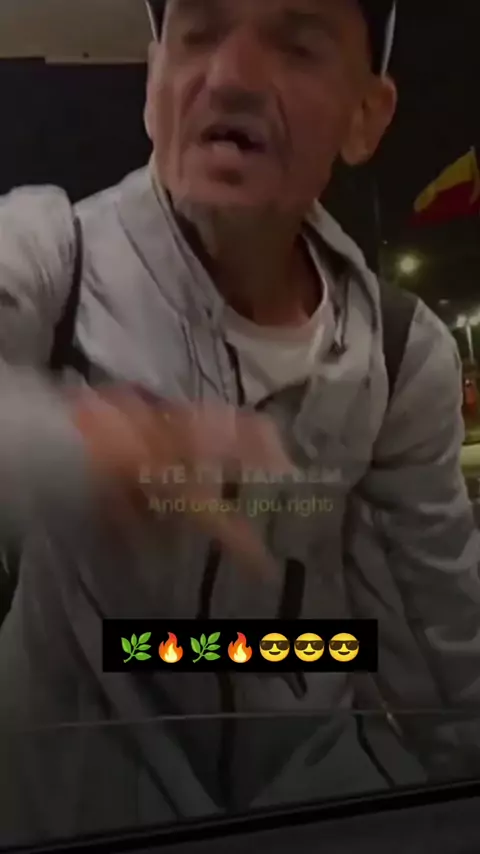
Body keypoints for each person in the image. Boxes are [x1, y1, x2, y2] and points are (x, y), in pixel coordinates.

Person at [1, 0, 480, 844]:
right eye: (198, 33)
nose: (229, 77)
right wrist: (73, 447)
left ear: (366, 116)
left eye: (297, 46)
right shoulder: (47, 254)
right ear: (153, 82)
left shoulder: (402, 354)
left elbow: (441, 644)